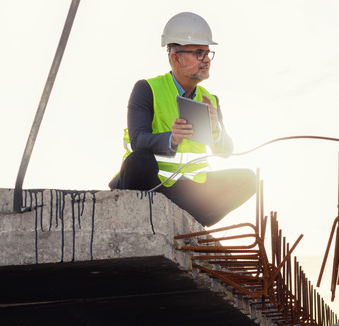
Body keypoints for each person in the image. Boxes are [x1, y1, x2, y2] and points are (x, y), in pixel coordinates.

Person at [109, 12, 256, 226]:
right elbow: (138, 139)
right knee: (139, 160)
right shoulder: (146, 89)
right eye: (199, 53)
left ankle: (190, 218)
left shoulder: (210, 100)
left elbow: (225, 151)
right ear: (176, 57)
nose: (206, 59)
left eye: (207, 53)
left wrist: (215, 129)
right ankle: (155, 213)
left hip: (189, 192)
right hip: (151, 183)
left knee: (247, 180)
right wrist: (172, 139)